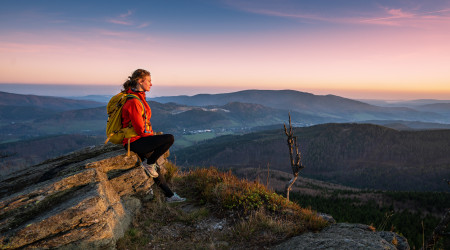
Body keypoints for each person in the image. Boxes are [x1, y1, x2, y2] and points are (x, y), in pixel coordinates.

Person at [121, 69, 185, 203]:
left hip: (137, 139)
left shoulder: (138, 97)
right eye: (149, 81)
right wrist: (151, 135)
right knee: (169, 139)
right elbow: (139, 129)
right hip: (134, 141)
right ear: (140, 81)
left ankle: (169, 196)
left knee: (154, 168)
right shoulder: (134, 101)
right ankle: (149, 164)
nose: (151, 84)